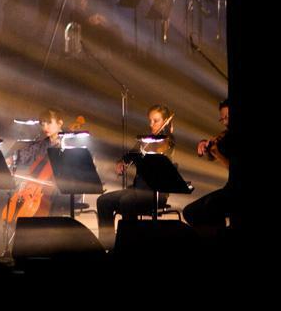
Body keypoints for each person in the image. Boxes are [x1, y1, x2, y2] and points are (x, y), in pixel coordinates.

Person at [95, 104, 175, 248]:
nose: (151, 125)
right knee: (103, 200)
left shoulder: (168, 141)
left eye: (156, 121)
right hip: (137, 190)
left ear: (165, 122)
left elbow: (162, 157)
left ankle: (130, 246)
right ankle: (107, 246)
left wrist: (164, 136)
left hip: (156, 192)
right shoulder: (145, 141)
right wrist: (121, 162)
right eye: (150, 121)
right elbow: (129, 156)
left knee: (127, 201)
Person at [3, 108, 66, 218]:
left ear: (60, 123)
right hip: (41, 191)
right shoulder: (42, 144)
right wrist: (9, 160)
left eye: (49, 123)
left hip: (61, 190)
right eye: (42, 124)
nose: (45, 127)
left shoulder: (68, 143)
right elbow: (26, 153)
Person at [183, 99, 232, 229]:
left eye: (228, 117)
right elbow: (212, 153)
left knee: (209, 208)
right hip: (229, 189)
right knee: (189, 211)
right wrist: (204, 144)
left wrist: (218, 155)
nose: (225, 122)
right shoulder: (226, 135)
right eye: (222, 119)